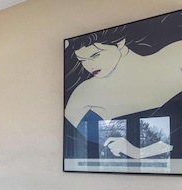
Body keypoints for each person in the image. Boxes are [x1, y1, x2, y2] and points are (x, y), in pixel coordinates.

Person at [64, 11, 182, 161]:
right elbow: (75, 150)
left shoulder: (176, 55)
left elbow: (173, 141)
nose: (90, 65)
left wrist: (140, 152)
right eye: (82, 60)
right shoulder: (84, 93)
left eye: (96, 55)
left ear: (120, 44)